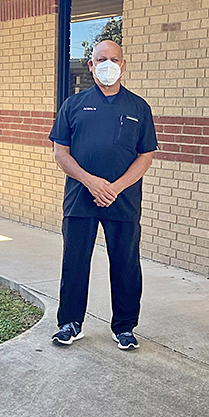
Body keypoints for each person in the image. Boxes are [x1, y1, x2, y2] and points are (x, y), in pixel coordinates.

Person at [50, 40, 157, 350]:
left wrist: (116, 187)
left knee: (125, 263)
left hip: (122, 200)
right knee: (75, 261)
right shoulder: (73, 105)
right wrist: (91, 182)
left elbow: (146, 156)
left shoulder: (138, 107)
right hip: (80, 198)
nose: (108, 64)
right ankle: (70, 323)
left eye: (114, 59)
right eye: (101, 59)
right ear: (91, 66)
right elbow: (61, 153)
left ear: (123, 65)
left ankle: (124, 327)